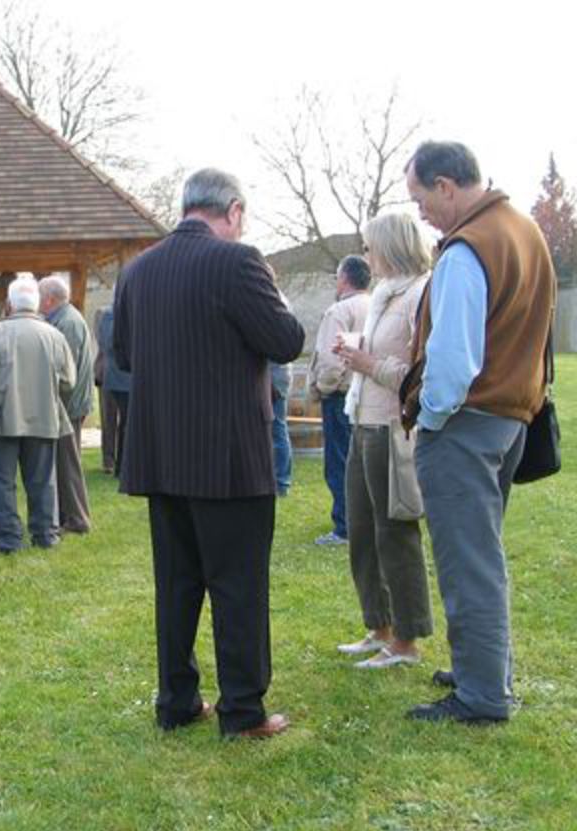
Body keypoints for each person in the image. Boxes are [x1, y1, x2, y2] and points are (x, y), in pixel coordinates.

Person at [113, 168, 304, 739]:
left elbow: (124, 354)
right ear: (234, 210)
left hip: (162, 451)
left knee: (177, 584)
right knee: (237, 584)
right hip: (228, 455)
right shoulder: (239, 261)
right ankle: (242, 710)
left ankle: (176, 701)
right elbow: (286, 341)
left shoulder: (138, 270)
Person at [400, 141, 555, 724]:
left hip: (467, 421)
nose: (421, 213)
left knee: (469, 563)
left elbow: (453, 361)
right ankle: (482, 670)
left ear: (446, 186)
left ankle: (483, 694)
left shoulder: (467, 249)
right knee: (481, 554)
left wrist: (431, 417)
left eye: (421, 198)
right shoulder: (524, 231)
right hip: (511, 418)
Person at [332, 212, 435, 669]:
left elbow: (420, 374)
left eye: (370, 246)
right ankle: (380, 626)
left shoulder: (421, 294)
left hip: (393, 428)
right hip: (362, 421)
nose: (366, 255)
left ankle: (407, 641)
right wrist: (356, 354)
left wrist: (367, 363)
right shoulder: (382, 294)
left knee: (394, 533)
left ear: (391, 246)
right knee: (361, 531)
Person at [0, 276, 76, 553]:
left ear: (9, 304)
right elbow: (68, 381)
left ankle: (8, 539)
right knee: (43, 481)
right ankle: (45, 534)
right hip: (43, 417)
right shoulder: (54, 335)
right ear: (36, 304)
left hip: (0, 419)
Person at [307, 255, 371, 545]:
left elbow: (332, 359)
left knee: (340, 462)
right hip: (368, 393)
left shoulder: (340, 311)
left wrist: (323, 387)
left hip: (341, 395)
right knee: (364, 461)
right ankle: (364, 519)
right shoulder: (375, 305)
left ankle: (344, 526)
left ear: (344, 278)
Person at [38, 276, 95, 535]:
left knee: (67, 465)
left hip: (68, 405)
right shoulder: (64, 318)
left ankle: (77, 519)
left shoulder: (67, 322)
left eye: (40, 297)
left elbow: (65, 371)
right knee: (63, 464)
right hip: (68, 403)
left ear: (49, 299)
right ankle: (66, 516)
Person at [93, 305, 131, 477]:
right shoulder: (106, 314)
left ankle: (121, 461)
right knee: (109, 418)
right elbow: (106, 344)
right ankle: (108, 460)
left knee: (124, 421)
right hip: (110, 373)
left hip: (125, 375)